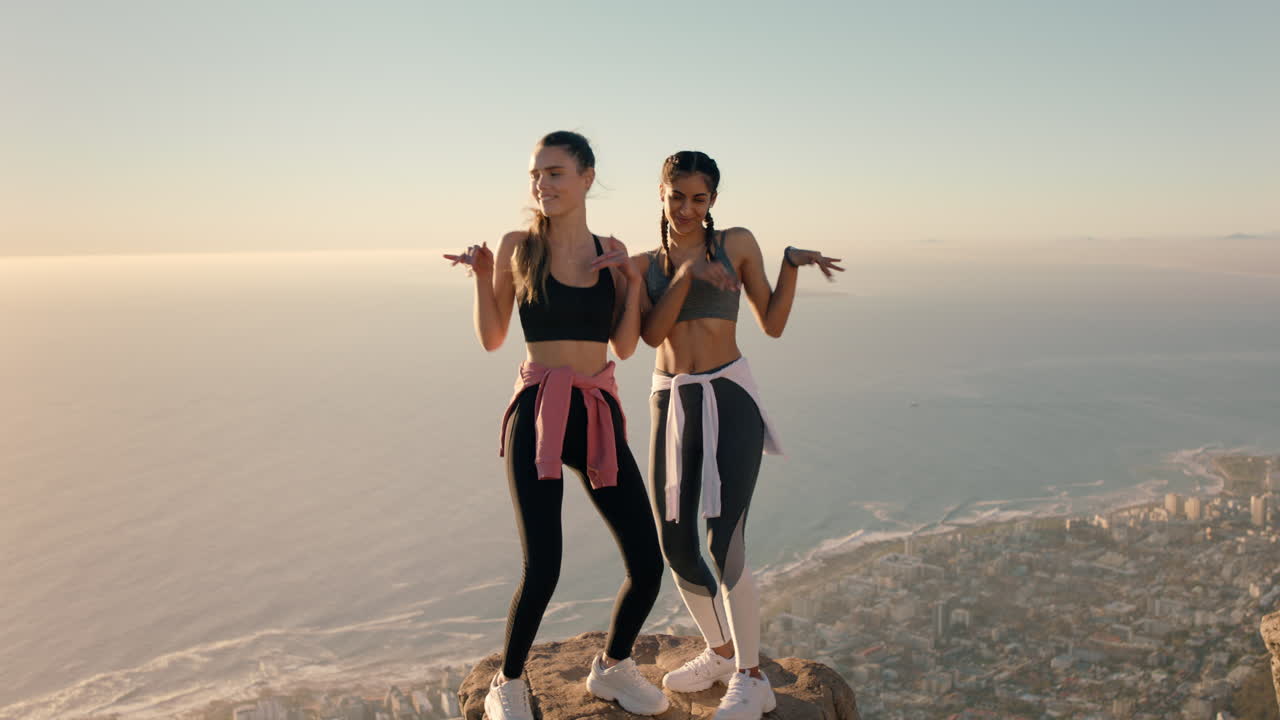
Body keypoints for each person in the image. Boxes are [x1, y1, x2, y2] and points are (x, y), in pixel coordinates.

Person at [444, 131, 668, 720]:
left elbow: (623, 341)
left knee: (648, 563)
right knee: (544, 564)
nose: (543, 185)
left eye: (556, 173)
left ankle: (614, 668)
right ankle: (508, 683)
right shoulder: (519, 245)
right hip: (540, 411)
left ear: (587, 177)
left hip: (595, 413)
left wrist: (632, 281)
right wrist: (483, 275)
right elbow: (493, 337)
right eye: (536, 175)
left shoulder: (611, 248)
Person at [632, 150, 843, 720]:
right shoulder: (643, 264)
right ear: (661, 194)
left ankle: (752, 679)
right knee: (674, 543)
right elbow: (651, 335)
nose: (685, 208)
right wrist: (684, 275)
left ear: (713, 201)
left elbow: (771, 323)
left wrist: (791, 265)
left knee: (724, 540)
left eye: (698, 198)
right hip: (671, 399)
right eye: (676, 196)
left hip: (729, 395)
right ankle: (721, 652)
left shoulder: (737, 243)